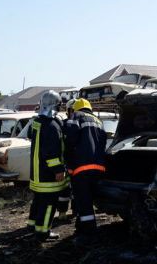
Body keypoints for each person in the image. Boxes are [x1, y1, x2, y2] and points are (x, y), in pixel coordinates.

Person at [27, 90, 69, 241]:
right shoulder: (52, 126)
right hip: (48, 176)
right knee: (49, 204)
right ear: (55, 105)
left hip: (37, 174)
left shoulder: (36, 122)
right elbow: (51, 153)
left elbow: (31, 136)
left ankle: (32, 225)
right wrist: (58, 170)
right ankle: (43, 232)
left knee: (38, 201)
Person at [64, 98, 107, 241]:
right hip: (98, 168)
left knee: (83, 201)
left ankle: (89, 233)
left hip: (81, 167)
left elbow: (70, 140)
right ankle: (81, 226)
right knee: (88, 200)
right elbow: (103, 142)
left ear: (75, 108)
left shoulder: (76, 116)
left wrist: (69, 164)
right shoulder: (98, 121)